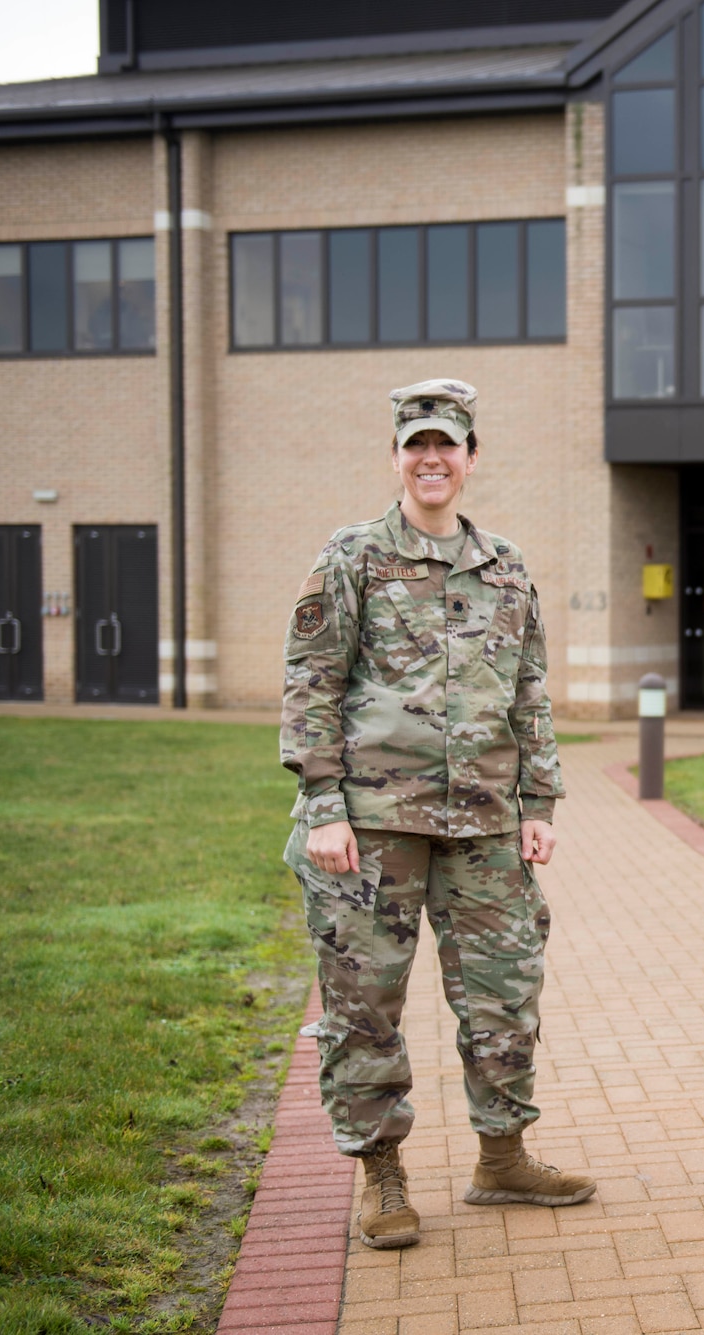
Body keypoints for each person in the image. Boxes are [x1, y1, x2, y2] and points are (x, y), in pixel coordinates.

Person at [280, 379, 594, 1251]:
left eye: (446, 445)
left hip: (488, 822)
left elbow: (529, 690)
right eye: (416, 444)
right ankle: (381, 1174)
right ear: (395, 456)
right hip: (373, 826)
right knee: (364, 1003)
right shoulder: (351, 556)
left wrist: (540, 801)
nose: (431, 459)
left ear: (470, 458)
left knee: (504, 994)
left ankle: (503, 1156)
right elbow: (311, 686)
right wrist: (322, 806)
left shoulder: (506, 563)